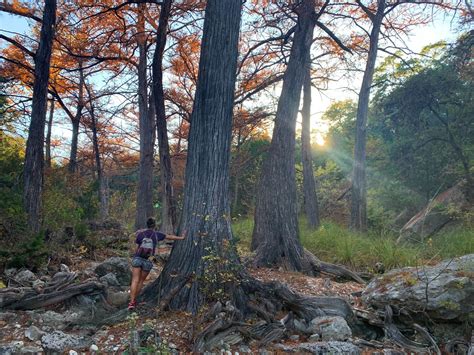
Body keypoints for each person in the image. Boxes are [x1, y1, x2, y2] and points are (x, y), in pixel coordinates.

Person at [128, 217, 184, 310]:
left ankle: (131, 302)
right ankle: (135, 300)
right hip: (148, 260)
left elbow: (137, 246)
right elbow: (169, 237)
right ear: (155, 225)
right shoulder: (157, 234)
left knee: (135, 280)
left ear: (147, 224)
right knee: (141, 281)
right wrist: (181, 237)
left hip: (138, 258)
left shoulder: (140, 234)